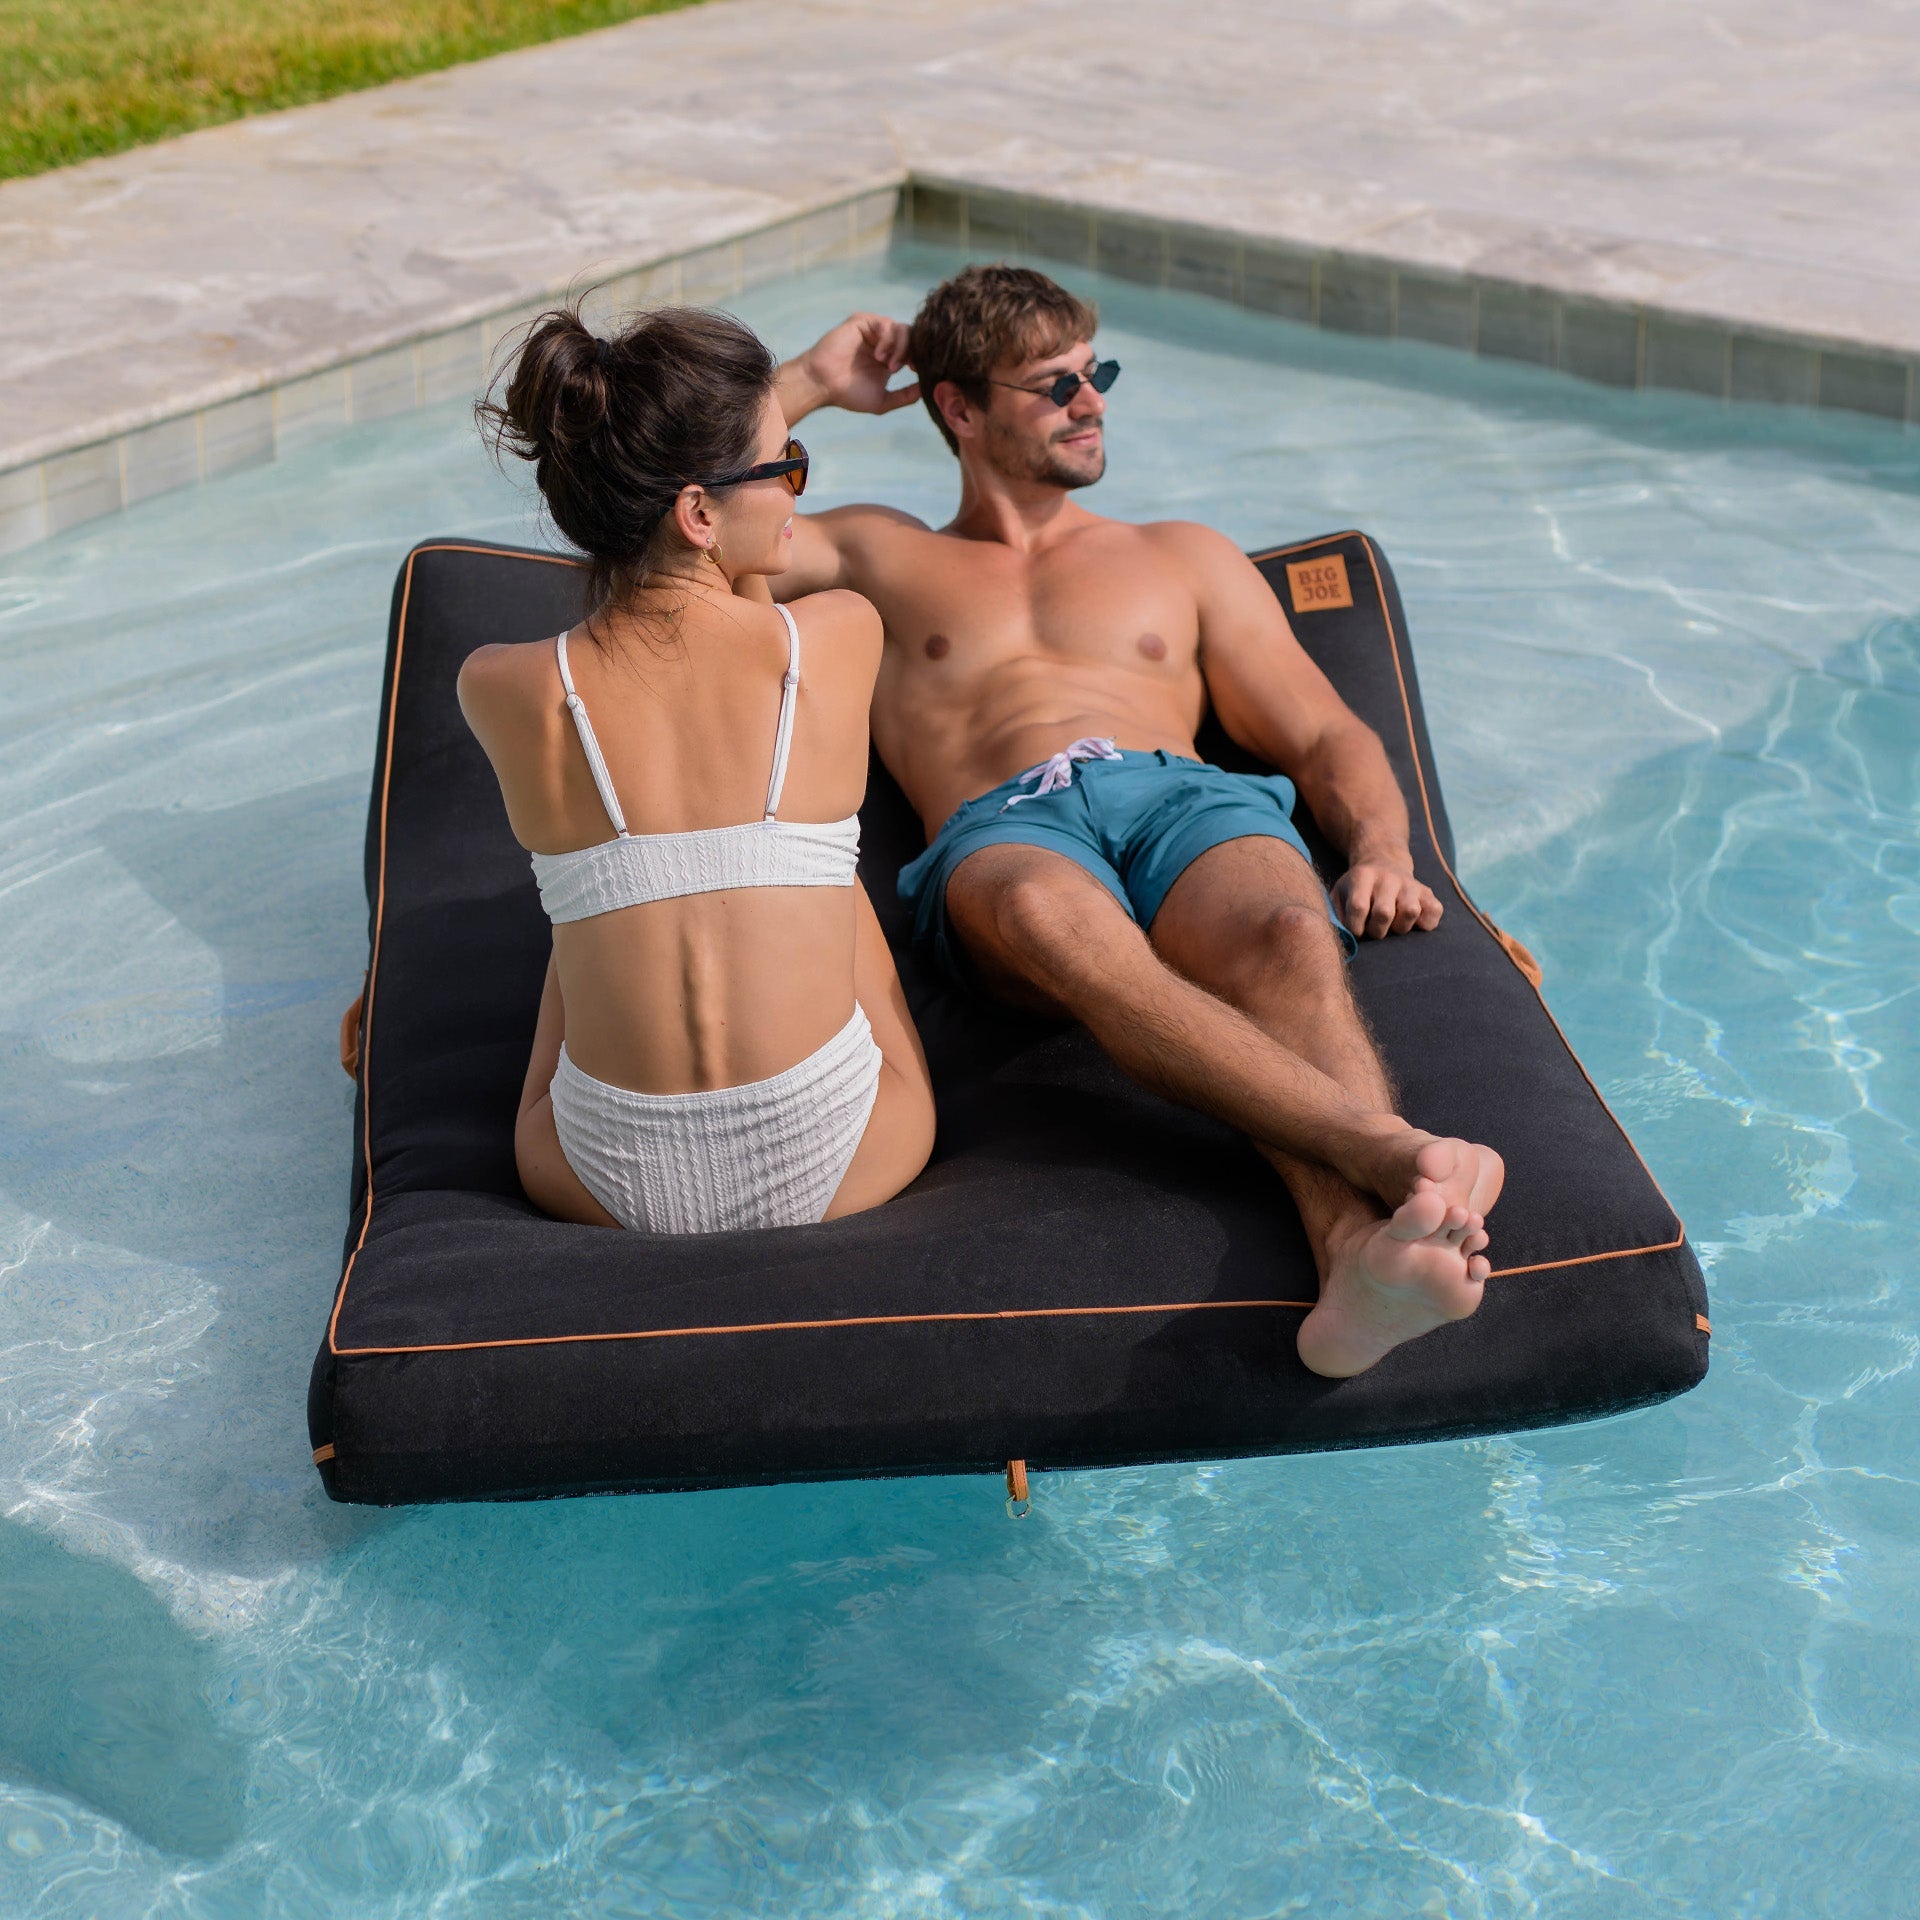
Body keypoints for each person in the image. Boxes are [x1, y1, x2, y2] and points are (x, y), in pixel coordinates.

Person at [764, 264, 1506, 1377]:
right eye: (1052, 385)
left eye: (1095, 373)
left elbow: (1323, 736)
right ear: (957, 408)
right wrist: (812, 381)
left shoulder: (1182, 556)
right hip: (1007, 824)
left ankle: (1358, 1248)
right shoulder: (877, 553)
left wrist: (1383, 849)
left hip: (1180, 795)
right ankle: (1400, 1155)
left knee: (1288, 934)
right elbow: (685, 518)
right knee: (1046, 919)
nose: (1090, 400)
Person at [457, 305, 934, 1234]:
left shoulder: (500, 684)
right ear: (699, 512)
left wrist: (765, 421)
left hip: (596, 1176)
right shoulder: (838, 636)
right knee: (827, 869)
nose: (798, 491)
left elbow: (687, 558)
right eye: (789, 466)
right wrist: (807, 389)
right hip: (842, 1152)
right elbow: (748, 605)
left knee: (579, 885)